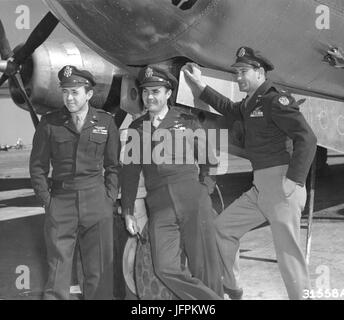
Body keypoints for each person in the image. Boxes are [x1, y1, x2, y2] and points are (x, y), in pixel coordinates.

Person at [183, 46, 317, 300]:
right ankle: (232, 287)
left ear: (260, 71)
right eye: (237, 73)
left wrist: (294, 180)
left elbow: (307, 138)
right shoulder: (252, 103)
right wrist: (200, 86)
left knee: (289, 256)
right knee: (222, 228)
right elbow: (229, 108)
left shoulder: (275, 101)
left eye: (244, 72)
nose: (239, 77)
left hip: (282, 187)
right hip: (260, 189)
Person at [120, 65, 223, 300]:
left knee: (205, 267)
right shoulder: (137, 128)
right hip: (160, 206)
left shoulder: (186, 120)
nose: (149, 97)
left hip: (193, 199)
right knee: (164, 267)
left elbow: (209, 161)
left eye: (156, 91)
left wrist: (203, 191)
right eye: (146, 92)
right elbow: (130, 173)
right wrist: (127, 210)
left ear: (168, 93)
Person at [29, 65, 119, 300]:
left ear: (88, 94)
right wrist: (48, 202)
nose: (69, 98)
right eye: (65, 92)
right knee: (57, 274)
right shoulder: (49, 123)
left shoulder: (106, 122)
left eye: (75, 92)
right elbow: (38, 167)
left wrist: (108, 200)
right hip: (62, 202)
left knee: (99, 272)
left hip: (97, 201)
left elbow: (113, 166)